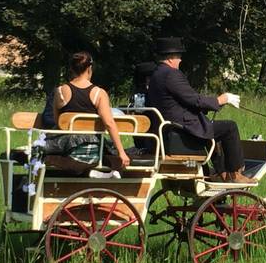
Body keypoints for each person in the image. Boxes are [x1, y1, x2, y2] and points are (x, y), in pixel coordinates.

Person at [146, 37, 252, 183]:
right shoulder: (171, 74)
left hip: (170, 127)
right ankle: (235, 173)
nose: (180, 60)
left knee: (213, 128)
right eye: (179, 57)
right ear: (171, 58)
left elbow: (182, 101)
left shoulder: (156, 75)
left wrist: (213, 105)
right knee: (229, 127)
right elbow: (194, 99)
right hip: (181, 129)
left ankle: (221, 173)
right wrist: (221, 100)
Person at [47, 51, 131, 174]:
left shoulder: (60, 91)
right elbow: (109, 123)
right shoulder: (98, 93)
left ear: (72, 68)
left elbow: (57, 121)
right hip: (92, 147)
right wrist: (121, 152)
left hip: (66, 146)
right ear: (89, 68)